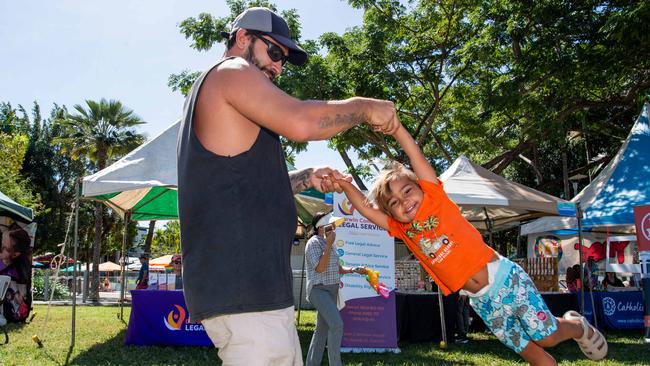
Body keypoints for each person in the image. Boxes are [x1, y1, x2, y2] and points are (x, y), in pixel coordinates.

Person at [176, 6, 399, 365]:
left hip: (254, 291)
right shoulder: (232, 72)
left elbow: (243, 186)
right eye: (275, 52)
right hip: (245, 290)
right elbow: (300, 122)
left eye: (284, 60)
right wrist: (366, 108)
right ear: (243, 38)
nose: (279, 67)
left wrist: (304, 178)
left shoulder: (227, 96)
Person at [334, 121, 608, 364]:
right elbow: (367, 209)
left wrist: (397, 130)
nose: (404, 201)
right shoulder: (401, 229)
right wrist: (346, 185)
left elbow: (416, 158)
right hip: (483, 301)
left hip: (505, 280)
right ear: (391, 213)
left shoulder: (436, 200)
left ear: (421, 187)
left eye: (407, 191)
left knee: (546, 337)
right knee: (528, 351)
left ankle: (576, 326)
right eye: (394, 203)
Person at [304, 211, 366, 366]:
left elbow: (335, 267)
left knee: (321, 331)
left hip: (331, 291)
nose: (333, 227)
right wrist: (329, 244)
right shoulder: (314, 243)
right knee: (337, 325)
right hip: (318, 290)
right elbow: (320, 268)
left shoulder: (326, 243)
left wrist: (353, 269)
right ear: (320, 226)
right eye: (330, 224)